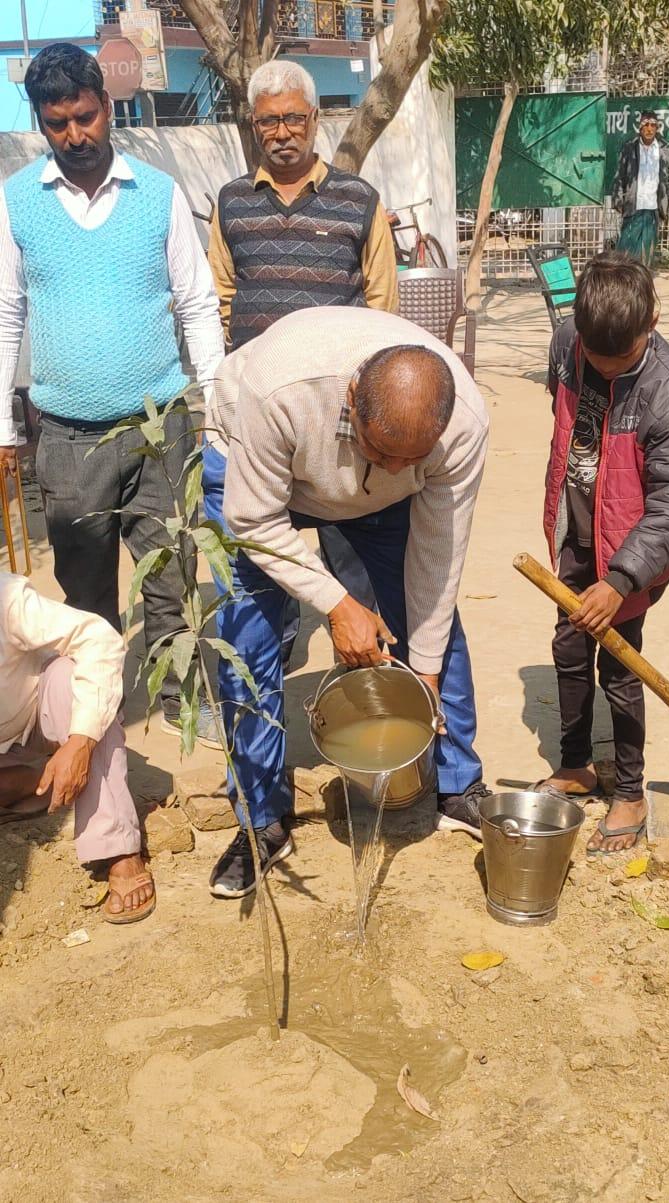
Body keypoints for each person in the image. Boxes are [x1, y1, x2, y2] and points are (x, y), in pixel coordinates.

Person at [205, 306, 490, 898]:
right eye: (382, 451)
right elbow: (253, 520)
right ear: (353, 397)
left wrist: (425, 673)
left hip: (375, 501)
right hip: (254, 468)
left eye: (411, 460)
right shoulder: (279, 389)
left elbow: (437, 559)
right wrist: (338, 604)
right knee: (247, 640)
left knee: (429, 621)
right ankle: (260, 822)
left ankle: (456, 784)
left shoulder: (461, 424)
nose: (395, 468)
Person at [0, 43, 225, 744]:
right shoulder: (18, 201)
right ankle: (98, 715)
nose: (75, 135)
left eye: (85, 117)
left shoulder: (157, 193)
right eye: (57, 123)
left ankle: (182, 699)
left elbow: (197, 304)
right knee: (85, 585)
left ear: (107, 105)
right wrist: (4, 428)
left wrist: (216, 408)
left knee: (172, 574)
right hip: (68, 438)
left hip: (161, 428)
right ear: (41, 122)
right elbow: (6, 313)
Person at [205, 59, 397, 668]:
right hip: (260, 425)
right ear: (254, 125)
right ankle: (268, 686)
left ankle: (361, 694)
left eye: (293, 118)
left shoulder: (358, 201)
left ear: (314, 119)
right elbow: (222, 298)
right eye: (269, 121)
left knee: (353, 572)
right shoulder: (232, 203)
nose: (282, 132)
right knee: (264, 572)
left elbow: (382, 310)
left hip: (340, 430)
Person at [538, 252, 669, 854]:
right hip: (577, 526)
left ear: (651, 321)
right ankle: (576, 765)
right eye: (596, 355)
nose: (605, 368)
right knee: (568, 645)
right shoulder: (567, 342)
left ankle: (631, 792)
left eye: (622, 359)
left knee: (620, 662)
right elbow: (563, 421)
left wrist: (621, 579)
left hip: (635, 550)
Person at [0, 571, 154, 923]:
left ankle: (119, 848)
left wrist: (81, 741)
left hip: (38, 715)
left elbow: (99, 638)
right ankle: (35, 782)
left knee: (71, 678)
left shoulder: (5, 597)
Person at [612, 111, 669, 266]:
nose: (649, 129)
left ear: (657, 128)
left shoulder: (664, 149)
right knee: (625, 249)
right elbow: (619, 174)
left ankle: (643, 277)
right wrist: (618, 198)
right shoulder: (629, 148)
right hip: (633, 206)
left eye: (653, 125)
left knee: (647, 251)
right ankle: (623, 277)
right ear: (640, 128)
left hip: (653, 208)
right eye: (645, 125)